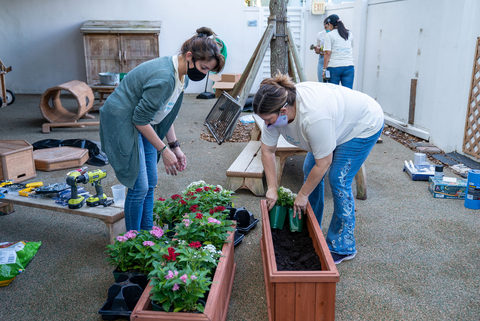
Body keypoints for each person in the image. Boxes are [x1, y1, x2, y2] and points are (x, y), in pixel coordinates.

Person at [99, 27, 225, 232]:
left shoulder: (180, 75)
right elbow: (139, 120)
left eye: (208, 70)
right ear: (189, 56)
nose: (204, 74)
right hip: (123, 120)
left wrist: (175, 146)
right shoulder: (166, 77)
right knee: (138, 186)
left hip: (145, 120)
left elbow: (165, 112)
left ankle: (147, 233)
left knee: (150, 182)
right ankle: (132, 242)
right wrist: (163, 150)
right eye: (203, 68)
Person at [253, 74, 384, 265]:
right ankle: (310, 224)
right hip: (335, 122)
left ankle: (343, 245)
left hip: (362, 124)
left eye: (269, 120)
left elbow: (324, 163)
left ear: (283, 111)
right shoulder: (274, 114)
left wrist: (303, 194)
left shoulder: (313, 117)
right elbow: (267, 151)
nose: (267, 125)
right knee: (308, 167)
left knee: (339, 179)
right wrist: (272, 187)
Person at [322, 14, 354, 88]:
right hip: (349, 66)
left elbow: (327, 53)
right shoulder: (349, 33)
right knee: (348, 92)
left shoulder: (329, 35)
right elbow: (351, 47)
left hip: (334, 67)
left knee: (333, 92)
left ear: (329, 24)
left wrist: (324, 69)